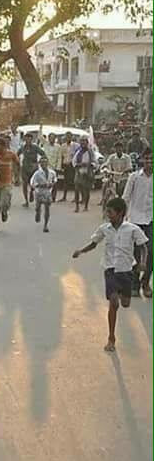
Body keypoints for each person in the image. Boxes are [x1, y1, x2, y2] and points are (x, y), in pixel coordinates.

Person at [72, 198, 148, 353]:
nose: (107, 214)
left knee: (125, 303)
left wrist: (143, 263)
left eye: (110, 212)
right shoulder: (104, 228)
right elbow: (94, 243)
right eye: (107, 211)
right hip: (110, 270)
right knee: (113, 302)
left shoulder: (132, 229)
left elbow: (143, 247)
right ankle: (111, 338)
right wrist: (80, 251)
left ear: (120, 213)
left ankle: (121, 294)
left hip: (126, 270)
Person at [122, 152, 153, 297]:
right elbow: (126, 197)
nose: (149, 162)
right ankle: (134, 284)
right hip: (135, 220)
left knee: (151, 253)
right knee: (135, 253)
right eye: (147, 159)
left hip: (151, 220)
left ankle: (145, 283)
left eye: (152, 159)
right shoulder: (134, 177)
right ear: (142, 160)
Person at [0, 137, 19, 232]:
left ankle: (4, 211)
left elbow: (18, 164)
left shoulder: (11, 154)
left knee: (4, 203)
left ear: (4, 146)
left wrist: (17, 177)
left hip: (7, 182)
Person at [30, 156, 56, 232]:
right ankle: (37, 212)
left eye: (45, 162)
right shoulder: (37, 173)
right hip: (39, 192)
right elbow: (32, 183)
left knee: (47, 208)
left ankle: (45, 225)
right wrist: (38, 186)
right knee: (38, 207)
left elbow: (55, 180)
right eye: (42, 162)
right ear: (40, 164)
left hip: (48, 192)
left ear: (48, 163)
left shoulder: (52, 172)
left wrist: (52, 184)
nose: (44, 164)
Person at [18, 133, 45, 207]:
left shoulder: (35, 147)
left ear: (32, 140)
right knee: (24, 184)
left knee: (32, 184)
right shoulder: (23, 147)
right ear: (25, 139)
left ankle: (31, 192)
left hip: (33, 168)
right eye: (26, 139)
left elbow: (43, 154)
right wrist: (17, 163)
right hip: (25, 168)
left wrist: (39, 162)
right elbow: (17, 154)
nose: (28, 141)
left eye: (30, 139)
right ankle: (26, 201)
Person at [72, 137, 97, 212]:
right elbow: (74, 162)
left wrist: (89, 164)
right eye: (81, 142)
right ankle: (77, 206)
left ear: (87, 143)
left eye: (84, 142)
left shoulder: (90, 152)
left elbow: (94, 162)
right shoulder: (78, 152)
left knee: (87, 191)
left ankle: (86, 206)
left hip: (87, 173)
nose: (83, 143)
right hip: (79, 173)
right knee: (76, 190)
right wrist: (80, 165)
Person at [41, 133, 62, 201]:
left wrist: (58, 167)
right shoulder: (46, 144)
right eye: (50, 137)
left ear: (55, 138)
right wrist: (40, 126)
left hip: (54, 168)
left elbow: (59, 158)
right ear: (48, 138)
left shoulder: (58, 146)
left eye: (53, 138)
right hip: (46, 167)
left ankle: (53, 197)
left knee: (54, 183)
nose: (51, 139)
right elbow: (40, 137)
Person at [60, 131, 79, 202]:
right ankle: (64, 197)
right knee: (65, 181)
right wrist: (61, 165)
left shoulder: (76, 145)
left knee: (74, 182)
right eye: (67, 136)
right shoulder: (63, 145)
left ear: (72, 137)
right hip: (66, 165)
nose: (68, 138)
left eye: (69, 136)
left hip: (72, 165)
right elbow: (61, 156)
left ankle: (75, 197)